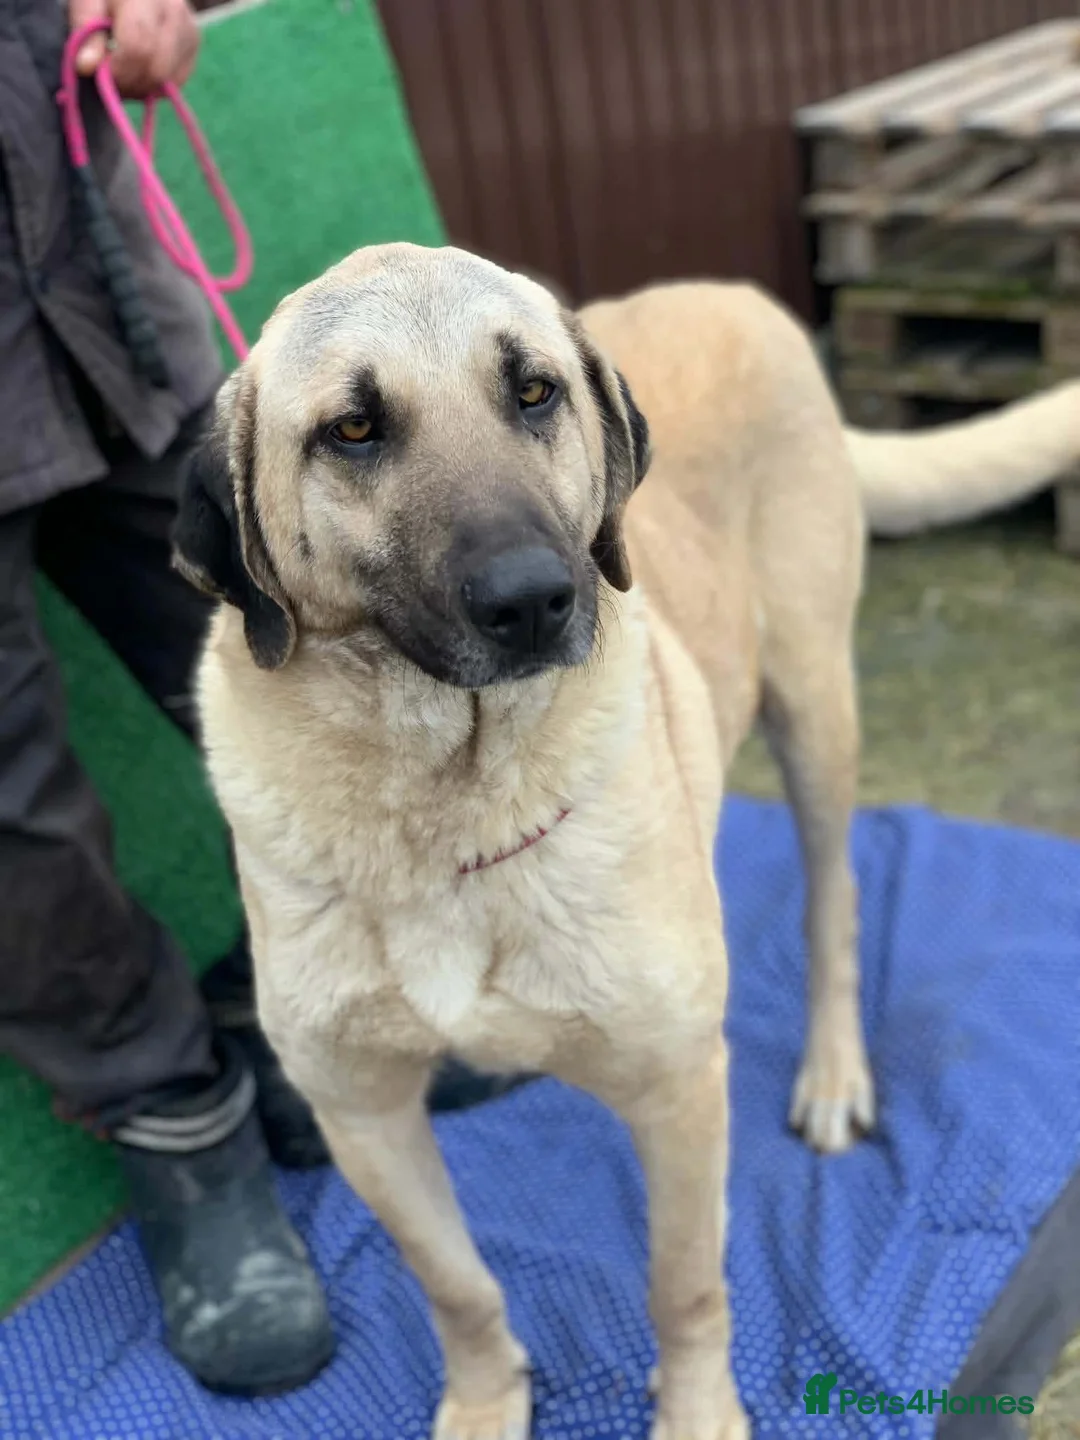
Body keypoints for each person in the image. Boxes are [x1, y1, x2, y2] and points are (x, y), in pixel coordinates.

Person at [0, 0, 336, 1396]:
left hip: (81, 234)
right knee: (7, 804)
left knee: (294, 640)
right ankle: (175, 1116)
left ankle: (297, 1007)